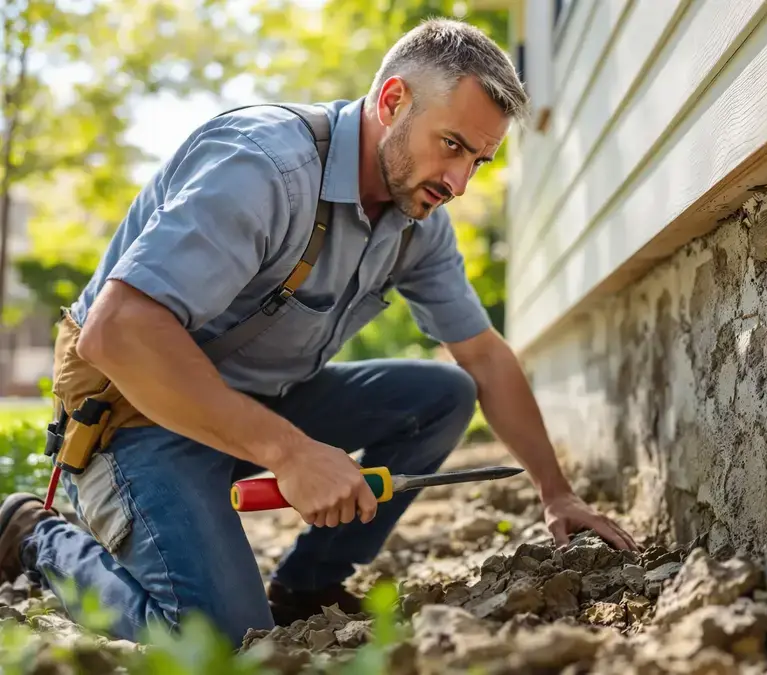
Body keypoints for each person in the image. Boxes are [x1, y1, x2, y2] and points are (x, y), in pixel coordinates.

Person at [0, 18, 637, 646]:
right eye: (451, 145)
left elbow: (487, 359)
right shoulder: (261, 167)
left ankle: (307, 584)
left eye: (479, 160)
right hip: (139, 408)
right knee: (218, 643)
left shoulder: (419, 220)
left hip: (258, 401)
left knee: (441, 397)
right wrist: (289, 453)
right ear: (392, 101)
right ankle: (36, 534)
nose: (459, 183)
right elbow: (116, 333)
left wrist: (557, 494)